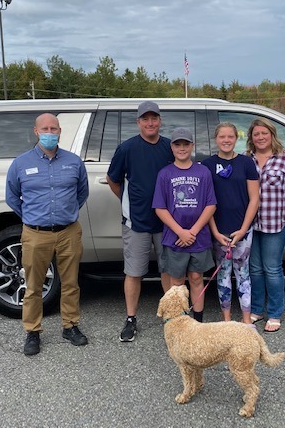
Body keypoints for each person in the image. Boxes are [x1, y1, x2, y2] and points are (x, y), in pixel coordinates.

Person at [6, 113, 90, 356]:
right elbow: (12, 197)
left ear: (60, 131)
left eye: (54, 129)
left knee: (70, 283)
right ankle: (33, 331)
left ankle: (70, 325)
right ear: (36, 131)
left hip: (68, 232)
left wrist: (66, 213)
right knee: (33, 286)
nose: (50, 133)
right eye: (45, 129)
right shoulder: (20, 163)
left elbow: (82, 193)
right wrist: (33, 217)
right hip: (35, 234)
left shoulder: (74, 162)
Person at [106, 101, 174, 342]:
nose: (150, 123)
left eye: (154, 118)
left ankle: (172, 317)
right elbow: (113, 179)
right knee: (134, 272)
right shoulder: (127, 148)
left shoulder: (170, 147)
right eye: (145, 119)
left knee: (168, 270)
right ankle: (131, 318)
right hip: (136, 222)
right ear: (138, 122)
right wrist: (129, 201)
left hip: (167, 223)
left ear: (160, 121)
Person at [246, 118, 285, 333]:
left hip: (276, 225)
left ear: (272, 135)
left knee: (272, 269)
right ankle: (256, 310)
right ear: (251, 137)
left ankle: (274, 313)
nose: (260, 137)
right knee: (254, 269)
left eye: (264, 133)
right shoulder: (246, 159)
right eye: (256, 134)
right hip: (250, 226)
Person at [152, 127, 217, 322]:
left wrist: (193, 232)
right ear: (172, 147)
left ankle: (197, 322)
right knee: (177, 281)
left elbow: (211, 205)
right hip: (175, 237)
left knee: (196, 277)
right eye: (177, 144)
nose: (182, 148)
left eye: (186, 144)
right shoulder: (165, 174)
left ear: (192, 146)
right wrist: (180, 232)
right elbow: (160, 208)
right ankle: (178, 321)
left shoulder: (203, 172)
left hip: (199, 237)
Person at [202, 122, 259, 325]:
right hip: (219, 231)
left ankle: (246, 321)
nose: (226, 140)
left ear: (236, 138)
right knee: (223, 274)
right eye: (222, 137)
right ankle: (226, 320)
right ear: (216, 139)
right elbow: (206, 202)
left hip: (242, 229)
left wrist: (243, 229)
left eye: (230, 137)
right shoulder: (207, 165)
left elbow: (254, 198)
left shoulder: (246, 163)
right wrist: (215, 232)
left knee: (243, 274)